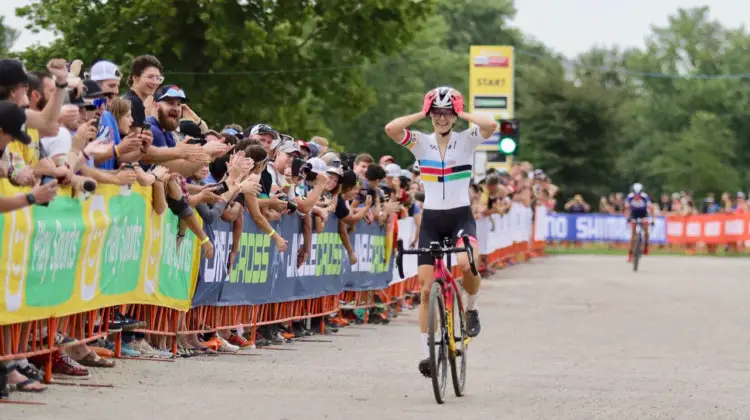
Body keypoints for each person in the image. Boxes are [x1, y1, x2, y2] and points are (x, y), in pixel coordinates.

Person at [384, 86, 497, 377]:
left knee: (466, 263)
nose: (442, 117)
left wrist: (463, 111)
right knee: (424, 291)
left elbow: (490, 125)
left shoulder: (466, 140)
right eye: (437, 112)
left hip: (460, 216)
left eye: (447, 112)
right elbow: (391, 128)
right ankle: (428, 354)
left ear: (455, 115)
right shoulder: (420, 142)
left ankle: (470, 307)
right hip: (432, 220)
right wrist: (421, 113)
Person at [625, 182, 652, 262]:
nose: (637, 196)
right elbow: (626, 208)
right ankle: (630, 253)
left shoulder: (645, 197)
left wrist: (652, 219)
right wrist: (627, 217)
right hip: (634, 214)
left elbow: (651, 208)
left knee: (646, 231)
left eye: (638, 194)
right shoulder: (629, 197)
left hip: (644, 214)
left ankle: (646, 246)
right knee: (633, 233)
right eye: (635, 194)